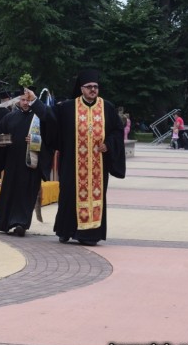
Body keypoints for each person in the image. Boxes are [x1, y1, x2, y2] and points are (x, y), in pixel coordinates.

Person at [30, 69, 126, 246]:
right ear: (81, 88)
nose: (93, 90)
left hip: (98, 166)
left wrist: (109, 144)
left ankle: (90, 235)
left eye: (95, 87)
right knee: (68, 196)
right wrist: (34, 102)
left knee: (96, 197)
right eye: (89, 87)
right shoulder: (68, 107)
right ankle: (65, 231)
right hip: (72, 164)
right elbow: (50, 118)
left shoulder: (107, 107)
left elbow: (117, 131)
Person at [0, 93, 51, 236]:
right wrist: (3, 141)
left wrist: (36, 141)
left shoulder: (40, 119)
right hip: (12, 165)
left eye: (28, 100)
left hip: (30, 166)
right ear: (18, 101)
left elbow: (50, 141)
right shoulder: (10, 117)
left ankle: (21, 224)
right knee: (10, 194)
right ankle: (6, 222)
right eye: (23, 100)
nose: (25, 103)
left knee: (25, 195)